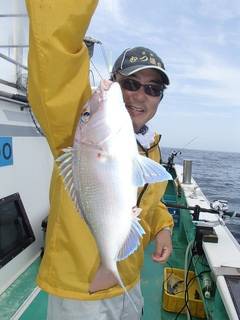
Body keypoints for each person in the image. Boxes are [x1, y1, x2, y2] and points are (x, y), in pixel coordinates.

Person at [26, 1, 174, 319]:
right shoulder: (78, 126)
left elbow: (144, 201)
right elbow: (55, 54)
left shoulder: (148, 146)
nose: (140, 95)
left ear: (160, 98)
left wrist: (162, 227)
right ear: (113, 81)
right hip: (80, 294)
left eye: (152, 88)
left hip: (128, 283)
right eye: (130, 84)